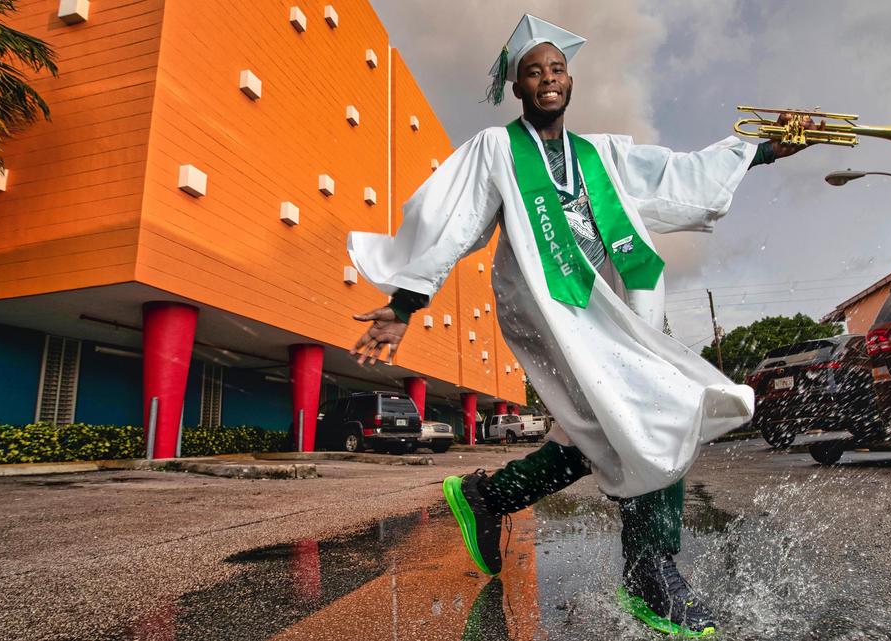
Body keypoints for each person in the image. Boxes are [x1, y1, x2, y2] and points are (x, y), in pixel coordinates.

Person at [347, 14, 814, 637]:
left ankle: (492, 496)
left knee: (603, 433)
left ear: (570, 81)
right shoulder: (498, 149)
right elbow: (453, 220)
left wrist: (762, 150)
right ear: (518, 86)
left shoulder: (603, 155)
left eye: (557, 69)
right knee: (651, 410)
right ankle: (650, 572)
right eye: (534, 71)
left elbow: (675, 177)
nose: (547, 79)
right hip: (548, 310)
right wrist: (405, 305)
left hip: (610, 312)